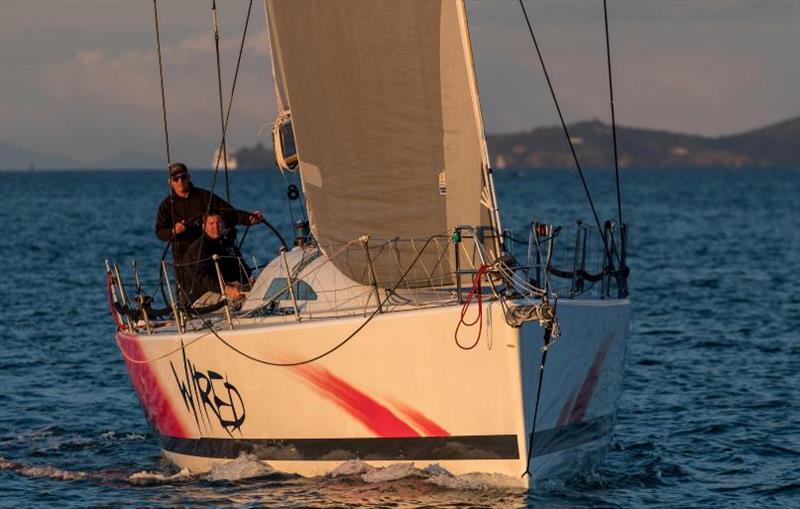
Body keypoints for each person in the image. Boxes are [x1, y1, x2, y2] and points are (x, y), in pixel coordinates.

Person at [155, 162, 261, 292]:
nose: (180, 181)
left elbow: (228, 213)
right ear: (170, 182)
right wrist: (173, 230)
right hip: (184, 259)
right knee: (187, 294)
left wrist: (249, 219)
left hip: (209, 253)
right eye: (175, 179)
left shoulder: (204, 197)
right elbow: (160, 232)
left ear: (189, 177)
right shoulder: (166, 206)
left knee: (217, 281)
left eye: (183, 177)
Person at [182, 213, 250, 305]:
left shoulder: (228, 245)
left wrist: (248, 280)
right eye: (211, 223)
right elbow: (201, 279)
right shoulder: (196, 249)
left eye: (219, 223)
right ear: (203, 227)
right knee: (240, 300)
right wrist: (225, 288)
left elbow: (241, 268)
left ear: (224, 225)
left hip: (231, 291)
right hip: (201, 297)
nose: (216, 226)